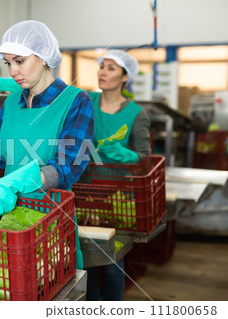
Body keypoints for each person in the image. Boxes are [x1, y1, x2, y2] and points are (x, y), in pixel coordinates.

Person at [0, 20, 94, 270]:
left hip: (50, 223)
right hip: (7, 222)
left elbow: (67, 166)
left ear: (44, 58)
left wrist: (15, 182)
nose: (13, 71)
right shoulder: (11, 102)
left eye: (20, 61)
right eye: (8, 63)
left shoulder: (76, 101)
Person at [86, 49, 151, 301]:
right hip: (86, 192)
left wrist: (125, 154)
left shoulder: (136, 114)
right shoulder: (87, 101)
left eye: (111, 68)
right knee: (88, 258)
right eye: (102, 66)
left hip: (119, 199)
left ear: (125, 77)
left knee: (113, 263)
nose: (103, 72)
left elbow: (145, 158)